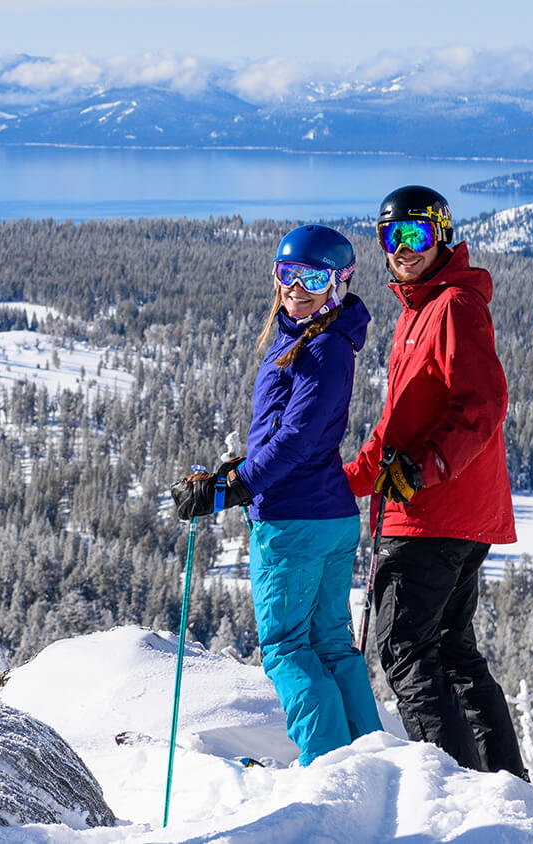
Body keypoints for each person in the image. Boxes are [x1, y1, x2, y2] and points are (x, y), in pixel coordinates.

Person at [173, 224, 381, 766]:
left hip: (294, 521)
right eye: (288, 274)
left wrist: (236, 487)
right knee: (331, 644)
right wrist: (236, 470)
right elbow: (288, 435)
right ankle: (370, 763)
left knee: (288, 649)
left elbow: (297, 438)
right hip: (328, 513)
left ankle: (332, 774)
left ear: (339, 282)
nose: (297, 287)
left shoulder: (322, 349)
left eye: (313, 276)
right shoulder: (315, 342)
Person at [343, 185, 528, 779]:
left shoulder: (452, 306)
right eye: (391, 238)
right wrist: (341, 482)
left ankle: (460, 797)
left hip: (433, 515)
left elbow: (484, 404)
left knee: (405, 649)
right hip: (450, 514)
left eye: (416, 235)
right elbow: (398, 428)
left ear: (442, 235)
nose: (402, 250)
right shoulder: (419, 311)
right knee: (451, 652)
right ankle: (504, 787)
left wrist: (426, 469)